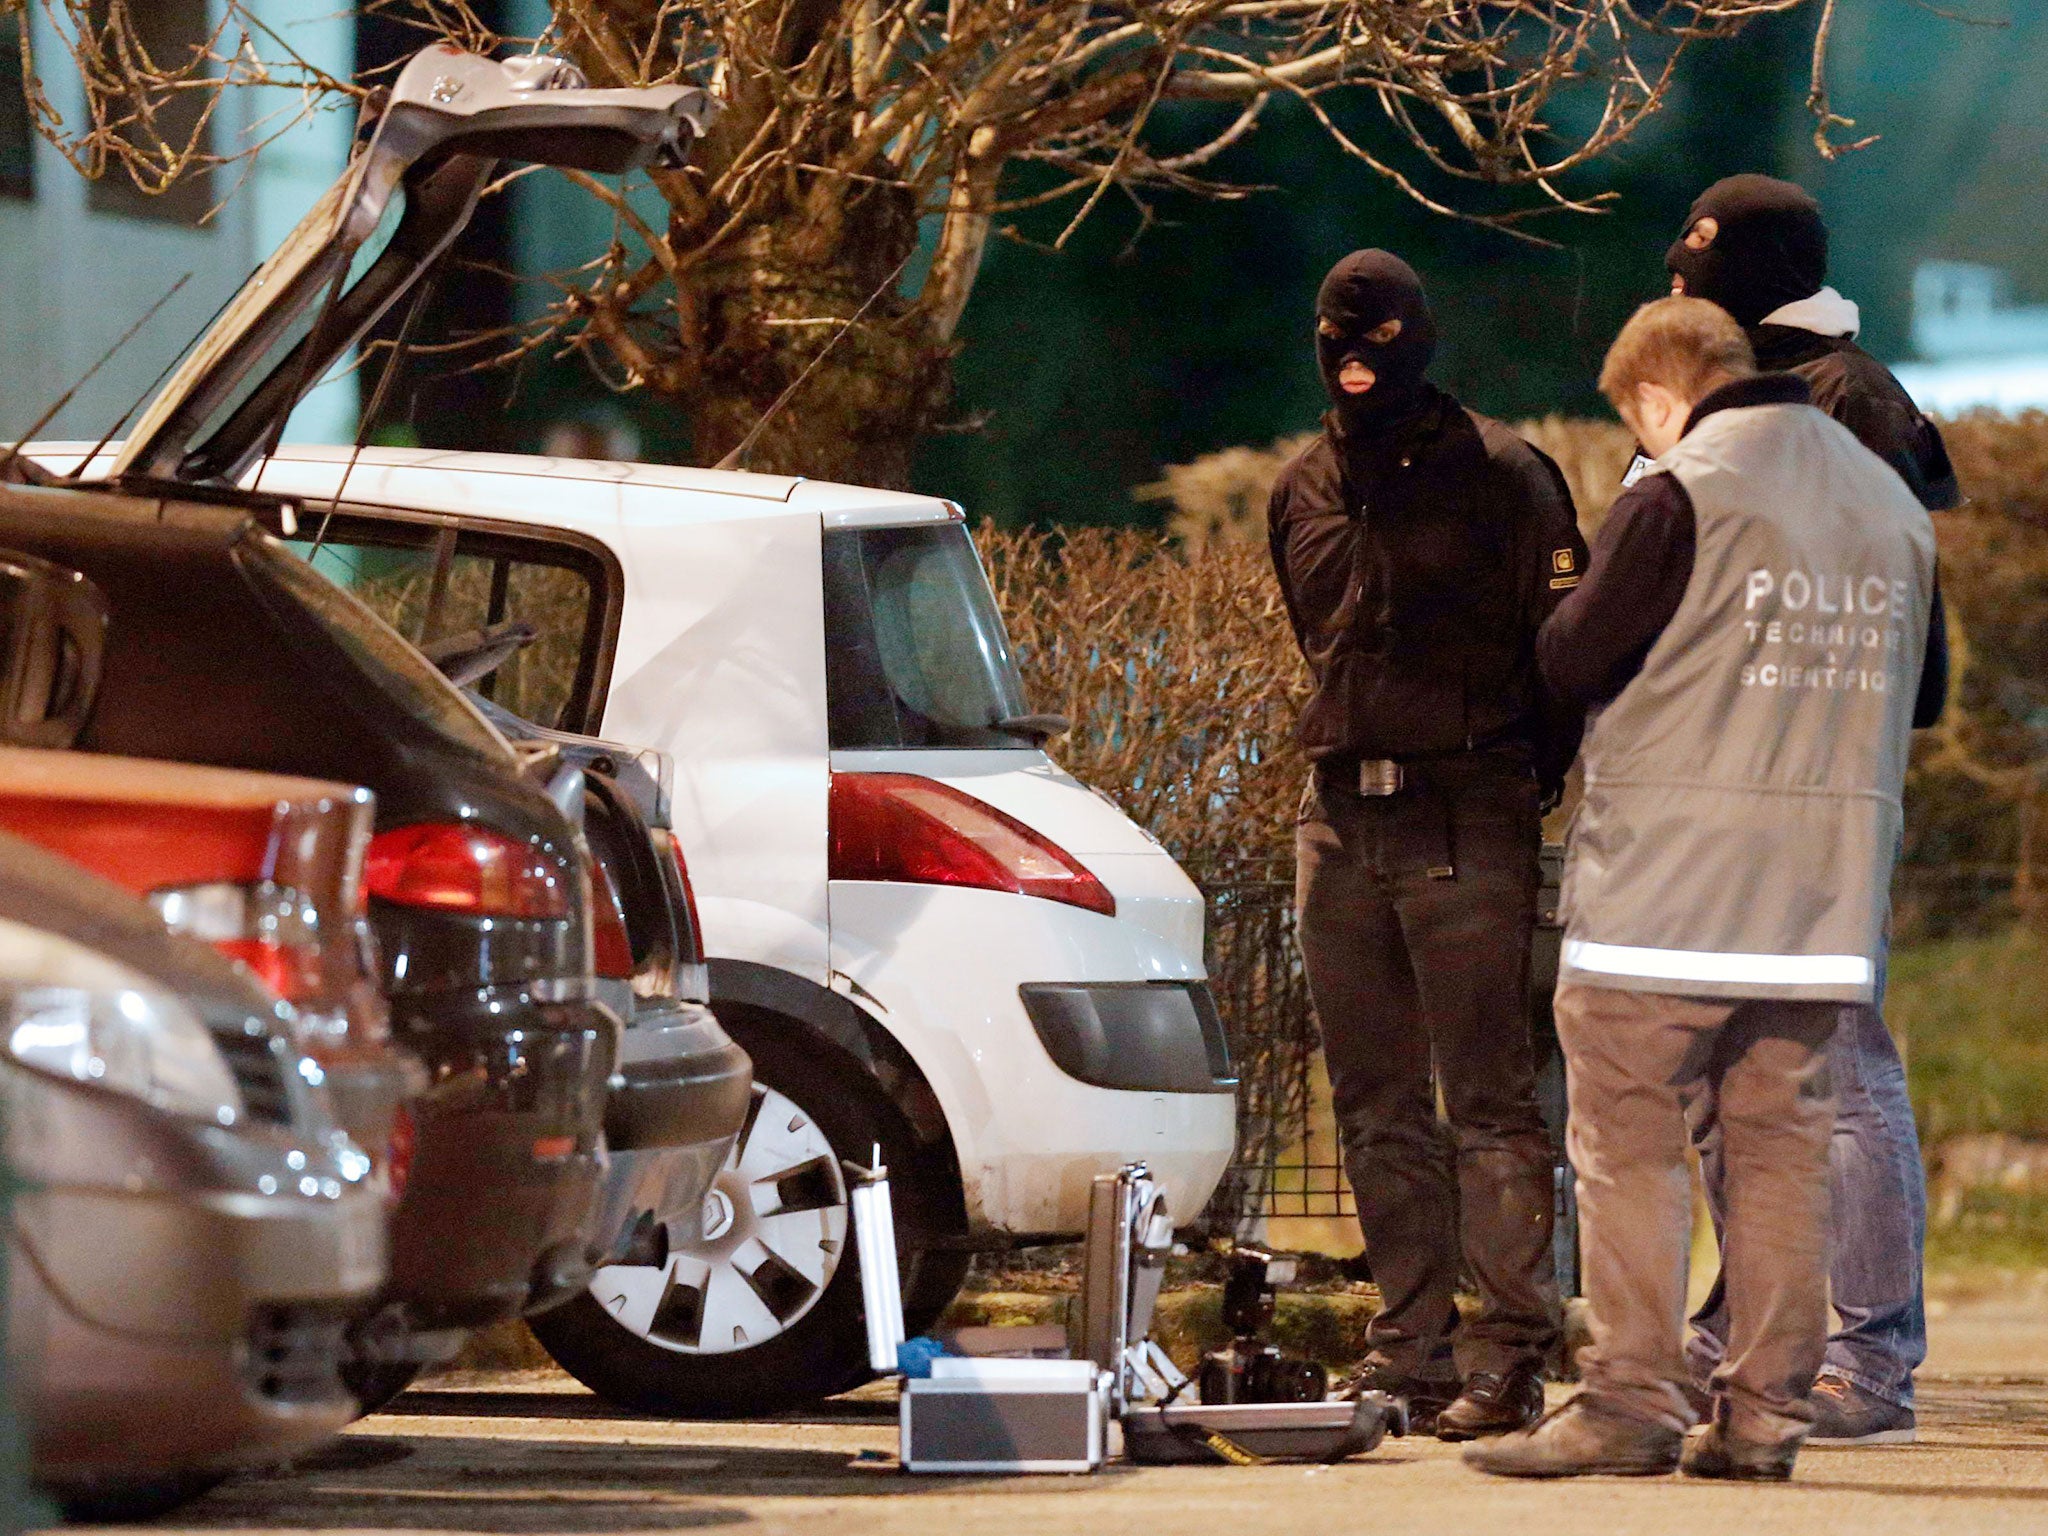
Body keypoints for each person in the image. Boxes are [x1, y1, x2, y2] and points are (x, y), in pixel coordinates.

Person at [1468, 297, 1938, 1482]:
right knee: (1781, 1148)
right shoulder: (1888, 499)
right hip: (1822, 900)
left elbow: (1572, 657)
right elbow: (1920, 695)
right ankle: (1763, 1419)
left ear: (1658, 394)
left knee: (1627, 1141)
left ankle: (1630, 1399)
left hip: (1664, 890)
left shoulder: (1681, 487)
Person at [1267, 249, 1585, 1440]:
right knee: (1371, 1099)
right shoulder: (1300, 487)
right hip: (1338, 815)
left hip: (1467, 812)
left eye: (1375, 340)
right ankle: (1411, 1348)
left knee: (1490, 1103)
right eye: (1333, 338)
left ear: (1419, 337)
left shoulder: (1503, 475)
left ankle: (1507, 1352)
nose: (1351, 361)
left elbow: (1561, 656)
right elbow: (1319, 642)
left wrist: (1514, 780)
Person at [1667, 173, 1955, 1444]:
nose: (1672, 280)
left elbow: (1869, 618)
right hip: (1730, 775)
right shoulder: (1741, 390)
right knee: (1735, 1071)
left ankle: (1869, 1361)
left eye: (1696, 265)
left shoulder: (1839, 399)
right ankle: (1746, 1332)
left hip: (1810, 780)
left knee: (1838, 1069)